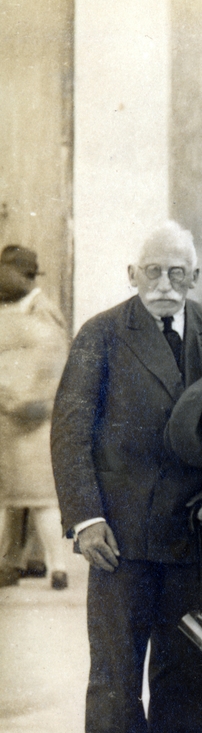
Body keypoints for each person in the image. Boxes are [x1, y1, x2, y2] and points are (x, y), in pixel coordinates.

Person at [51, 221, 202, 733]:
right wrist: (85, 521)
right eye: (152, 271)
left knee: (189, 645)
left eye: (177, 272)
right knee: (118, 656)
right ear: (133, 275)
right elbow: (70, 433)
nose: (165, 283)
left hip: (190, 527)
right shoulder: (102, 333)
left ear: (196, 276)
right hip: (121, 535)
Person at [0, 245, 72, 589]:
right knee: (15, 497)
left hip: (36, 413)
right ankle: (18, 560)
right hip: (14, 415)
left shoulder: (42, 312)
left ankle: (48, 563)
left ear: (21, 273)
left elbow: (54, 362)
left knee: (38, 496)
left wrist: (35, 399)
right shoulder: (15, 309)